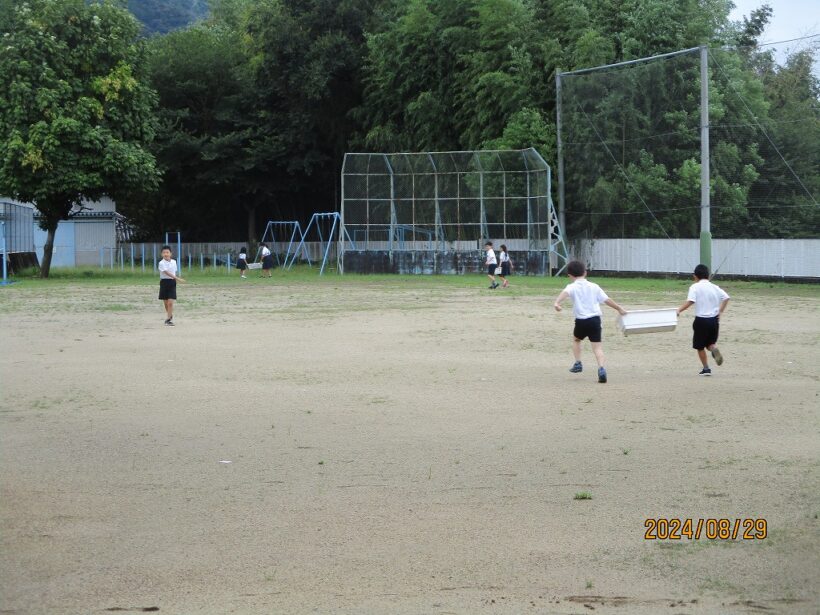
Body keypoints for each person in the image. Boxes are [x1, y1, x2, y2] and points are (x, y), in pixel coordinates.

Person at [553, 260, 627, 383]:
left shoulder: (571, 287)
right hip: (595, 321)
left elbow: (564, 294)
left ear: (570, 275)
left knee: (576, 339)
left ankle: (578, 362)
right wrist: (619, 308)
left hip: (581, 321)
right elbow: (607, 300)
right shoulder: (594, 286)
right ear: (585, 273)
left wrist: (557, 303)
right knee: (597, 347)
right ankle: (601, 369)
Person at [677, 264, 730, 376]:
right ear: (708, 275)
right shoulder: (714, 287)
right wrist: (720, 311)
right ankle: (713, 348)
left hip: (701, 320)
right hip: (714, 320)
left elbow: (690, 301)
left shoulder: (694, 287)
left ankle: (706, 369)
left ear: (695, 276)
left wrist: (679, 310)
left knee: (700, 346)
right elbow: (726, 297)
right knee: (710, 343)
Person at [158, 245, 185, 326]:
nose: (166, 254)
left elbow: (174, 271)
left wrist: (175, 280)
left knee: (170, 303)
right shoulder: (161, 263)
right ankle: (170, 315)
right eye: (164, 253)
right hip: (164, 283)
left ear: (171, 253)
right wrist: (178, 278)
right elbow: (167, 273)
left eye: (167, 252)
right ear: (161, 254)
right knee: (166, 303)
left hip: (172, 283)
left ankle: (168, 320)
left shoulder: (174, 261)